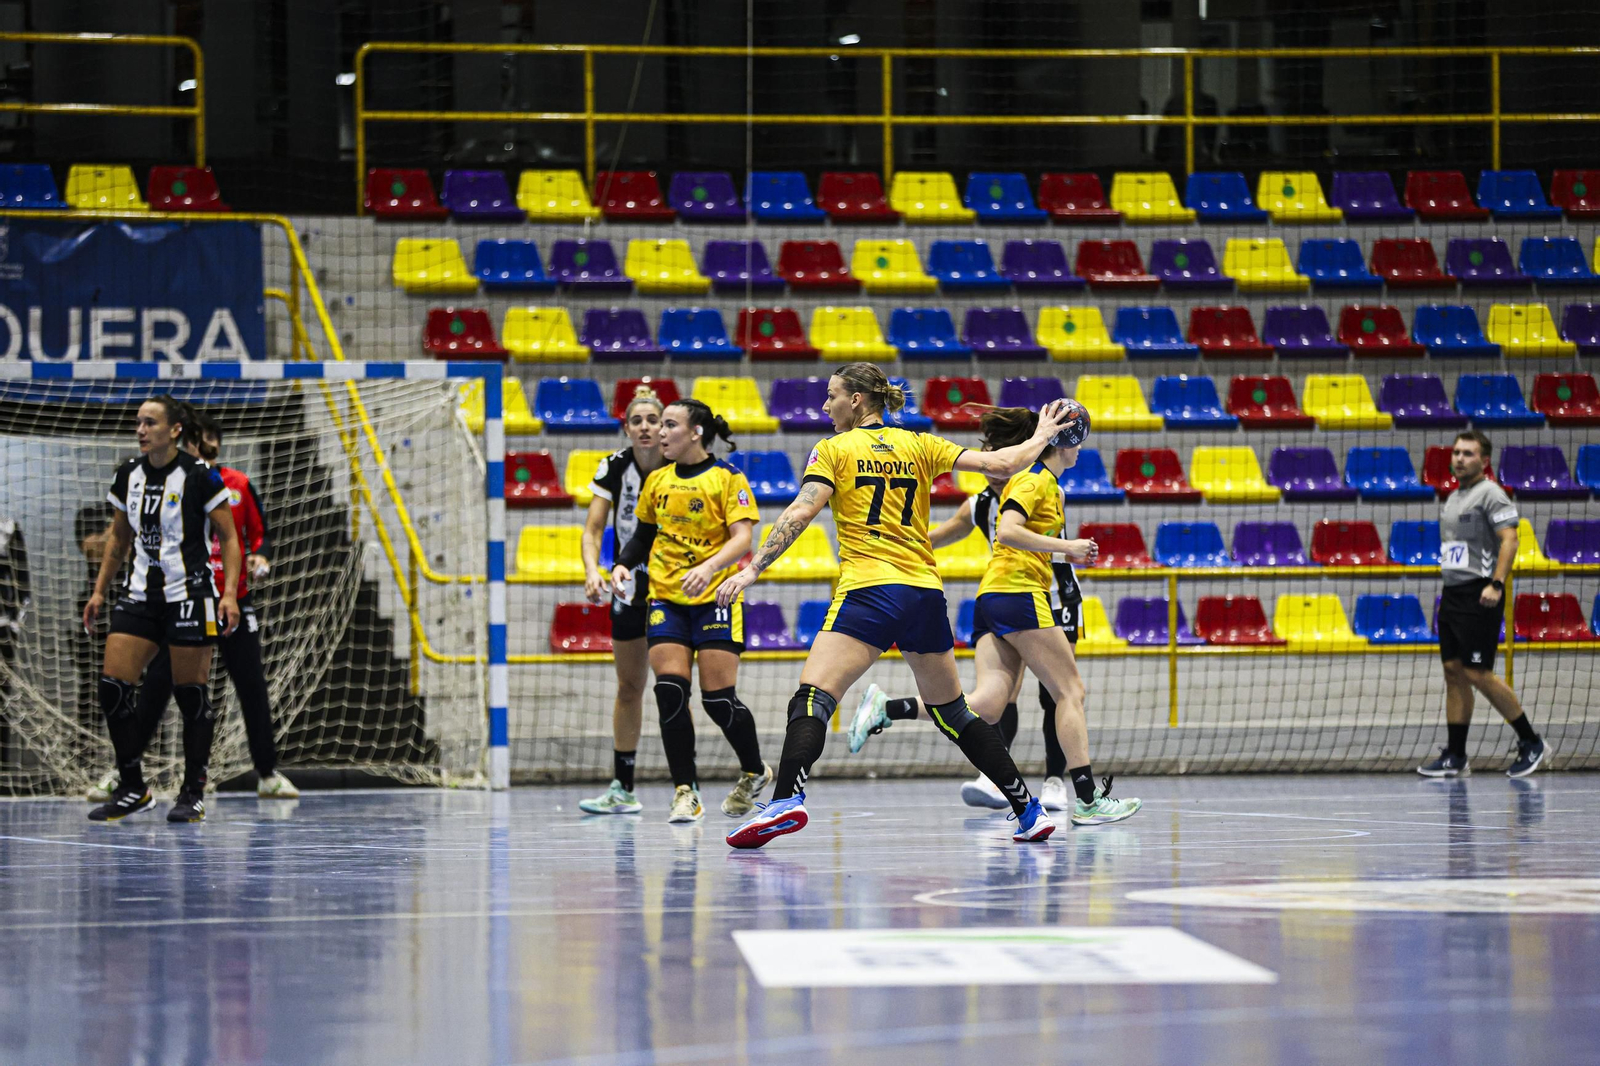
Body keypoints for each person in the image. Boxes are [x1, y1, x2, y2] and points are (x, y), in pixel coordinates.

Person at [714, 363, 1071, 849]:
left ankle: (786, 799)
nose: (825, 405)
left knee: (813, 696)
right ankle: (1028, 810)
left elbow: (801, 510)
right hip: (924, 593)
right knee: (954, 713)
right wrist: (1044, 436)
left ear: (857, 400)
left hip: (869, 590)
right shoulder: (920, 444)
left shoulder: (834, 449)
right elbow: (1004, 465)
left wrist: (753, 568)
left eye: (832, 395)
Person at [846, 405, 1142, 827]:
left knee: (988, 704)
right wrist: (1068, 547)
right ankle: (1087, 799)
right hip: (1020, 595)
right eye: (1079, 442)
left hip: (992, 598)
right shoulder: (1034, 480)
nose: (1081, 451)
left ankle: (888, 708)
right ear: (1067, 442)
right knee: (1070, 691)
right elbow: (1007, 531)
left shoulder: (1038, 483)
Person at [88, 411, 298, 802]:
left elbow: (257, 536)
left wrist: (260, 559)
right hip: (183, 599)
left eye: (214, 441)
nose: (207, 447)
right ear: (186, 442)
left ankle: (266, 772)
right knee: (155, 689)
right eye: (202, 440)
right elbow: (131, 532)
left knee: (250, 685)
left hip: (229, 599)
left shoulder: (235, 484)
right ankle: (126, 773)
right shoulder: (166, 479)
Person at [610, 398, 770, 823]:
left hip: (716, 599)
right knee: (670, 692)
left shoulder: (727, 478)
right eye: (660, 425)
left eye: (669, 425)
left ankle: (754, 770)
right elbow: (643, 535)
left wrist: (709, 567)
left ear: (696, 432)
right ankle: (686, 791)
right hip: (666, 598)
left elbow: (743, 538)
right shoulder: (658, 480)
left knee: (717, 700)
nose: (660, 433)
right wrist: (622, 564)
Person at [83, 397, 242, 823]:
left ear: (174, 431)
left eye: (150, 422)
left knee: (191, 695)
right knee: (112, 688)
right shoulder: (128, 475)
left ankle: (192, 793)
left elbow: (229, 537)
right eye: (138, 422)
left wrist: (228, 594)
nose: (141, 429)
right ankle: (133, 788)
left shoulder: (200, 476)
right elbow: (118, 539)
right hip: (140, 595)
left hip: (189, 594)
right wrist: (99, 592)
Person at [1419, 430, 1549, 779]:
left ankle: (1531, 741)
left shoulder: (1491, 493)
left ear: (1484, 460)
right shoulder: (1453, 497)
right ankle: (1456, 755)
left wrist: (1496, 583)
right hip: (1453, 594)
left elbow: (1510, 539)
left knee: (1478, 672)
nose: (1460, 459)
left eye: (1468, 453)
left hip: (1481, 593)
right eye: (1457, 453)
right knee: (1453, 671)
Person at [578, 386, 667, 815]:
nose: (645, 427)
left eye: (653, 420)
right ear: (626, 428)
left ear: (665, 427)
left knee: (674, 688)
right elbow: (593, 529)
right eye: (637, 421)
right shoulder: (614, 466)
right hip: (629, 585)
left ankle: (686, 786)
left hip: (674, 588)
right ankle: (623, 787)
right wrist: (591, 570)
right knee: (629, 686)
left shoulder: (682, 465)